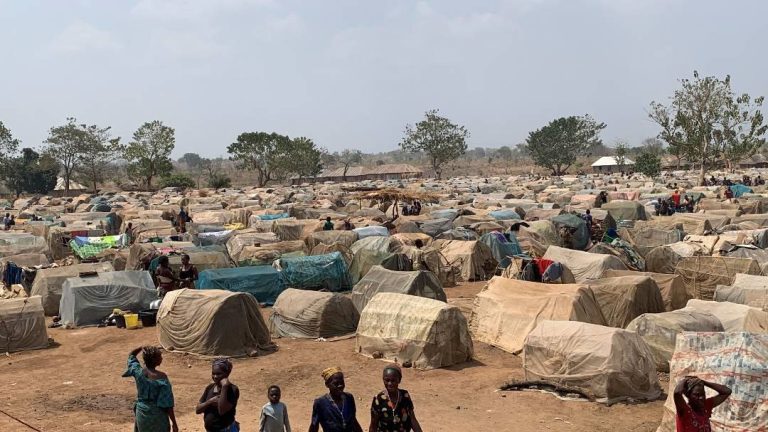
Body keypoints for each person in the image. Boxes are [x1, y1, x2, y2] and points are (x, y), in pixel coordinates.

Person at [122, 346, 178, 432]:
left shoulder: (138, 371)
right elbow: (168, 404)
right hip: (158, 416)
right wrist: (174, 423)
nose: (161, 358)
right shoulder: (162, 378)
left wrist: (141, 348)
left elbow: (131, 355)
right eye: (160, 357)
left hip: (142, 413)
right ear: (154, 360)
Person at [368, 365, 423, 432]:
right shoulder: (378, 400)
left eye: (393, 380)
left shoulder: (405, 396)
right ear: (383, 380)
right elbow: (373, 425)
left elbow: (412, 419)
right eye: (387, 380)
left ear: (399, 380)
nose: (390, 383)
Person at [309, 367, 363, 432]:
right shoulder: (320, 403)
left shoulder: (349, 398)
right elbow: (314, 426)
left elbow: (353, 421)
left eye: (342, 382)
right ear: (327, 385)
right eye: (336, 383)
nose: (340, 385)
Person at [197, 358, 240, 432]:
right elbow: (197, 410)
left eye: (219, 374)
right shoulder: (210, 388)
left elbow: (222, 410)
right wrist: (210, 401)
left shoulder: (232, 390)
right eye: (213, 373)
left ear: (227, 373)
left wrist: (225, 387)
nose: (215, 376)